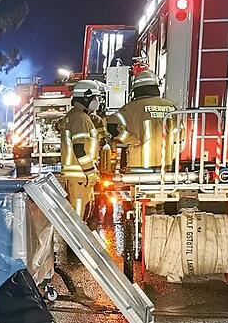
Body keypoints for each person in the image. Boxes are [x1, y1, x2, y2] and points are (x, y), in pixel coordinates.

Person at [107, 71, 180, 172]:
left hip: (138, 169)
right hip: (165, 168)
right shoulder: (170, 106)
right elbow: (180, 134)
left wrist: (129, 139)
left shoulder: (131, 108)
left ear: (137, 89)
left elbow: (112, 125)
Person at [59, 79, 103, 221]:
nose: (97, 101)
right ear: (86, 97)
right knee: (77, 217)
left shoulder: (76, 115)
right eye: (95, 97)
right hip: (80, 176)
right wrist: (90, 172)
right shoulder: (80, 118)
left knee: (79, 213)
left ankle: (76, 243)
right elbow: (80, 148)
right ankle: (75, 244)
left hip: (76, 176)